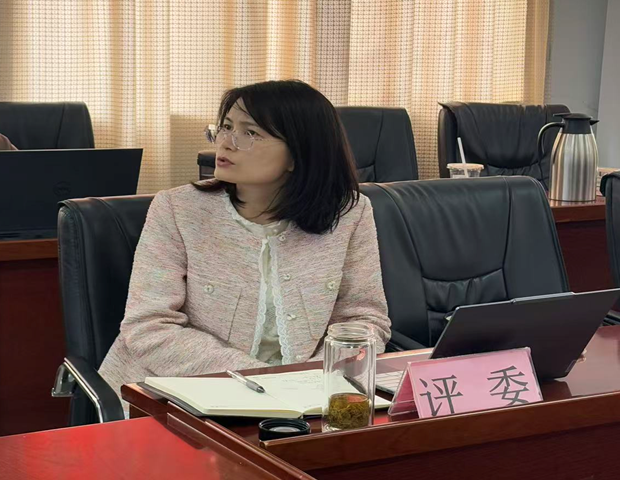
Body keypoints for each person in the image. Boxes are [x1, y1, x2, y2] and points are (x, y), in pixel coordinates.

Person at [99, 80, 391, 409]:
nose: (226, 142)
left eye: (249, 133)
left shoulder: (349, 213)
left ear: (298, 153)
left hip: (304, 400)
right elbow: (148, 326)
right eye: (225, 127)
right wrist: (265, 379)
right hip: (174, 396)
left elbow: (363, 318)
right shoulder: (177, 209)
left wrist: (317, 379)